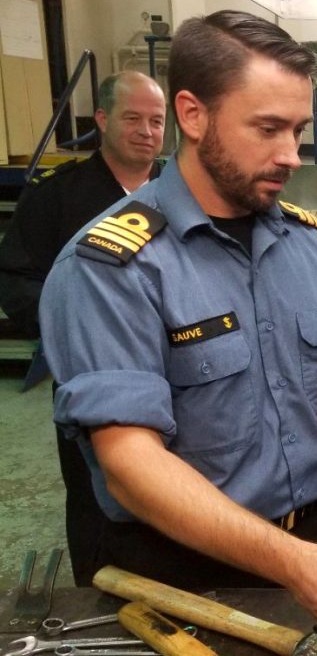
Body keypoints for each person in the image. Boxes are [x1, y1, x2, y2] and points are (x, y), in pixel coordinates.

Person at [39, 10, 317, 654]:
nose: (291, 153)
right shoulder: (111, 266)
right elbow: (129, 464)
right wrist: (292, 565)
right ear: (193, 114)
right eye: (267, 128)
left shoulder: (303, 242)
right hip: (184, 574)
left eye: (297, 129)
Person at [0, 70, 165, 586]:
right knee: (95, 486)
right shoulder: (57, 197)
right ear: (101, 120)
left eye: (156, 121)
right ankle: (98, 587)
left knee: (166, 486)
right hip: (89, 376)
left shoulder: (180, 191)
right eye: (132, 118)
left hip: (173, 371)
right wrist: (68, 334)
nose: (146, 131)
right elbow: (17, 277)